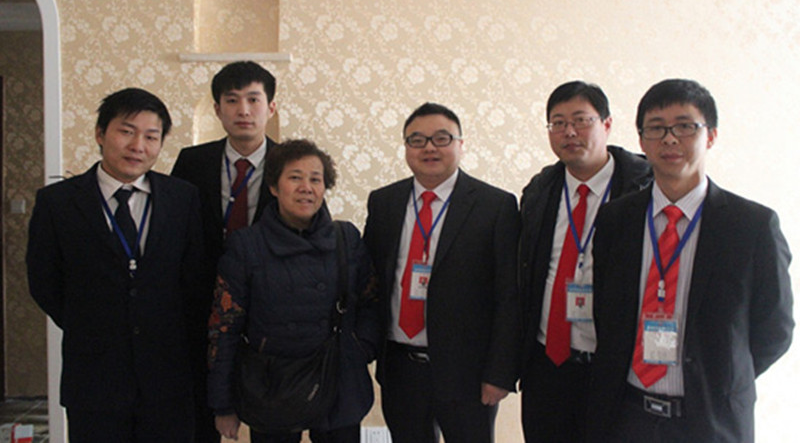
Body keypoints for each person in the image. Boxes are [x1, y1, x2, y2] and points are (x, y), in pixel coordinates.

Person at [588, 79, 793, 442]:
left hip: (710, 421)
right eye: (656, 128)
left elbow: (774, 329)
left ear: (710, 136)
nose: (670, 139)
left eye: (684, 126)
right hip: (626, 416)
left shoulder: (752, 226)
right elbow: (605, 310)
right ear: (641, 141)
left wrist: (723, 380)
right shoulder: (616, 219)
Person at [26, 88, 205, 443]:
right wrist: (91, 322)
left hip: (168, 377)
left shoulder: (182, 198)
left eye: (151, 136)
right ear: (100, 133)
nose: (138, 146)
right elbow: (44, 281)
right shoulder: (58, 202)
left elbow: (194, 279)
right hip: (94, 376)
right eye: (126, 131)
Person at [363, 102, 520, 443]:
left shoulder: (495, 206)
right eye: (417, 140)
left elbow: (508, 296)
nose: (429, 148)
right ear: (406, 147)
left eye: (441, 138)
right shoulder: (384, 202)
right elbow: (370, 282)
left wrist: (499, 373)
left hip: (468, 371)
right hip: (400, 367)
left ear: (461, 144)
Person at [207, 139, 380, 443]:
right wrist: (223, 404)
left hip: (337, 379)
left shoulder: (346, 238)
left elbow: (371, 302)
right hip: (271, 384)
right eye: (295, 177)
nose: (306, 188)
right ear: (274, 187)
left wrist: (359, 348)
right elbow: (224, 327)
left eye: (315, 179)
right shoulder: (247, 245)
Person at [518, 81, 652, 442]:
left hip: (614, 369)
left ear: (606, 124)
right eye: (558, 123)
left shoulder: (644, 187)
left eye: (581, 120)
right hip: (546, 366)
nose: (569, 132)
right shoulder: (539, 190)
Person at [171, 60, 278, 442]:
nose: (243, 110)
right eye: (232, 100)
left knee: (272, 423)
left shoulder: (291, 164)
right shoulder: (191, 162)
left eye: (253, 99)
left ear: (271, 107)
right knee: (202, 421)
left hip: (271, 314)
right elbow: (174, 236)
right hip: (204, 310)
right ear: (217, 109)